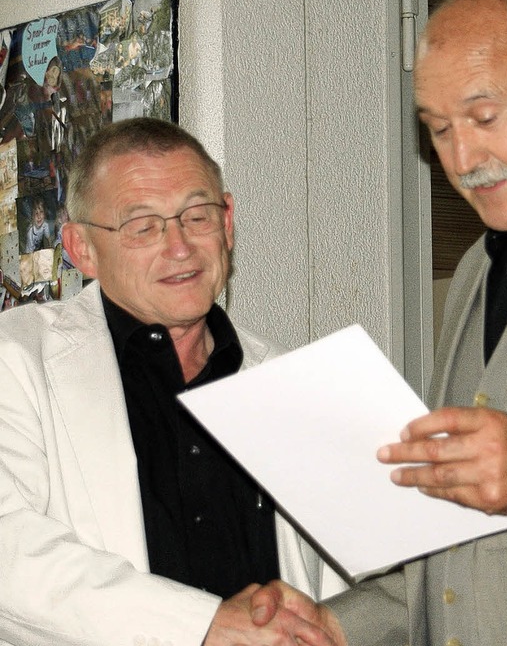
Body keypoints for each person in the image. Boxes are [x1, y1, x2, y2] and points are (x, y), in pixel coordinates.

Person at [252, 0, 507, 644]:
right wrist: (336, 625)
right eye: (437, 128)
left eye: (483, 115)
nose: (462, 160)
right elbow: (462, 550)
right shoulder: (473, 272)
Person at [0, 117, 348, 646]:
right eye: (142, 226)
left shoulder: (293, 381)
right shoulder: (17, 358)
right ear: (81, 248)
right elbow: (10, 551)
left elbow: (357, 575)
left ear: (228, 224)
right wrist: (201, 626)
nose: (180, 246)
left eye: (197, 215)